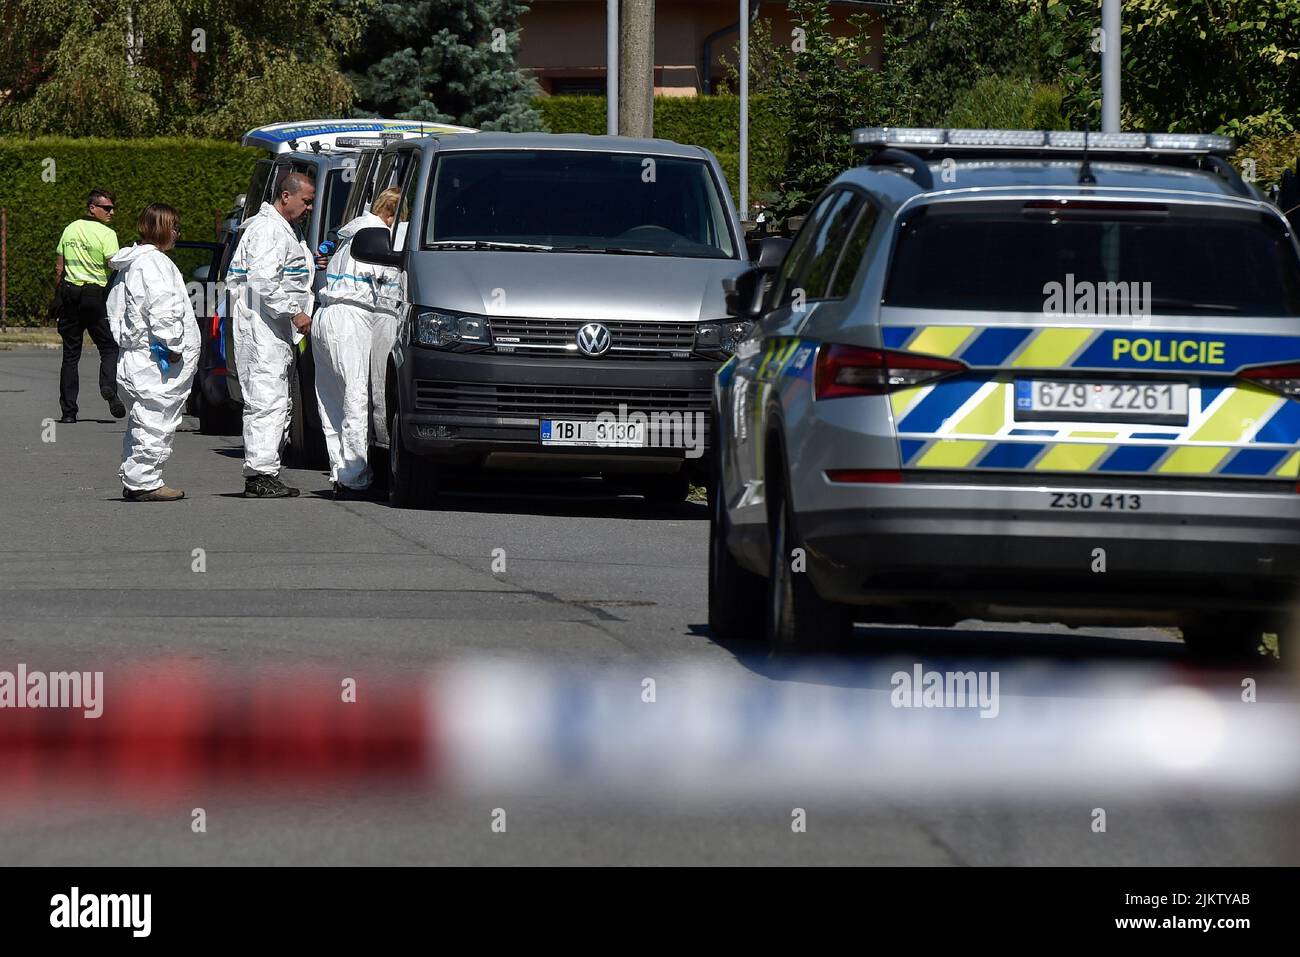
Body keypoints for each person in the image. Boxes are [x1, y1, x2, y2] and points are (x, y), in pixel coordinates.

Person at [227, 172, 317, 498]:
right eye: (306, 201)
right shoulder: (267, 230)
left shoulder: (282, 230)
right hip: (262, 326)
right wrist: (296, 312)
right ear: (285, 196)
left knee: (275, 399)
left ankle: (265, 470)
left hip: (270, 327)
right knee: (266, 400)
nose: (309, 207)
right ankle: (260, 475)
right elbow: (264, 281)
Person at [105, 204, 200, 502]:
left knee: (144, 419)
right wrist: (173, 346)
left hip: (139, 356)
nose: (176, 233)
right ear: (160, 228)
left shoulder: (134, 264)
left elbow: (116, 312)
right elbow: (163, 308)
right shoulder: (155, 264)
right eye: (174, 227)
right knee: (156, 419)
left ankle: (137, 477)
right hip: (155, 360)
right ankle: (145, 482)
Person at [312, 187, 402, 500]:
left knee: (331, 401)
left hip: (325, 314)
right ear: (391, 215)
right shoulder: (377, 233)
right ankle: (356, 476)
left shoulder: (350, 233)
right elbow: (391, 283)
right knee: (355, 397)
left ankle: (342, 471)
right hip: (352, 317)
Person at [53, 189, 126, 424]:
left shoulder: (70, 229)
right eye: (107, 208)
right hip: (94, 296)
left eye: (113, 208)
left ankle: (68, 413)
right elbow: (114, 265)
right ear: (92, 208)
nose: (111, 212)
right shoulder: (107, 234)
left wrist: (59, 295)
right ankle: (108, 388)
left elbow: (59, 267)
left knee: (70, 355)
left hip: (70, 295)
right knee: (109, 347)